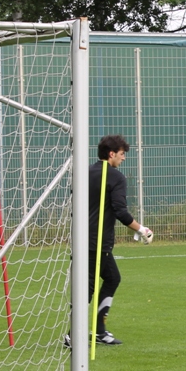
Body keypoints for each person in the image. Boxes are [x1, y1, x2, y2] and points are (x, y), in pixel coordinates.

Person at [69, 134, 153, 347]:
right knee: (89, 287)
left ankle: (98, 331)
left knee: (111, 278)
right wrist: (142, 229)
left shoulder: (85, 172)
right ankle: (74, 335)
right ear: (111, 154)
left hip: (80, 237)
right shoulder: (115, 177)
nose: (124, 158)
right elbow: (120, 211)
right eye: (122, 154)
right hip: (96, 241)